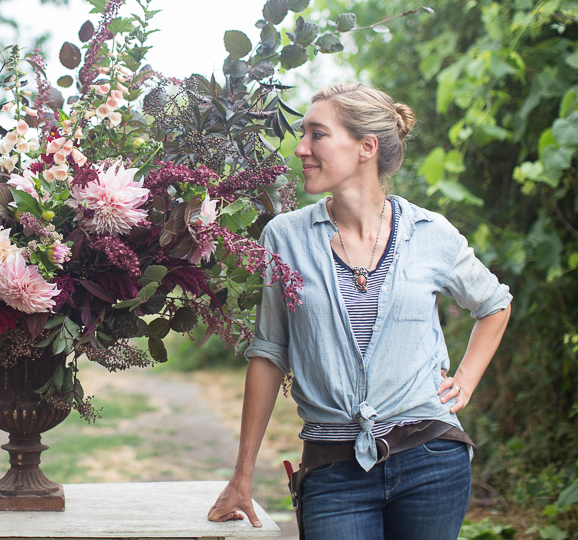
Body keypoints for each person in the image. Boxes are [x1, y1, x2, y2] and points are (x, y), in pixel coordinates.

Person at [207, 83, 512, 540]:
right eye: (303, 134)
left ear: (366, 147)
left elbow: (494, 304)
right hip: (332, 472)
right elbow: (269, 352)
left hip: (431, 459)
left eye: (317, 134)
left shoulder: (432, 233)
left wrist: (465, 379)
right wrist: (242, 475)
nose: (301, 147)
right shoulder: (284, 237)